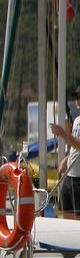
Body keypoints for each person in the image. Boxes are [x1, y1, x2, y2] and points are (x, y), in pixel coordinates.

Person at [50, 85, 80, 219]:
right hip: (70, 175)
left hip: (79, 178)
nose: (77, 101)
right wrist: (66, 159)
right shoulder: (77, 120)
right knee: (66, 218)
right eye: (76, 98)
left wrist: (62, 133)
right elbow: (75, 146)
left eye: (79, 98)